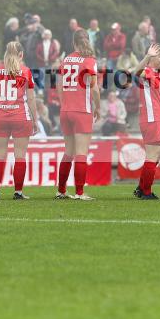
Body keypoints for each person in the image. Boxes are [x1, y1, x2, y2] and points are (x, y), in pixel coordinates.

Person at [0, 41, 38, 200]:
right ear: (21, 54)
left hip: (0, 116)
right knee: (20, 156)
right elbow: (31, 99)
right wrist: (35, 119)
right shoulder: (25, 71)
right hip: (20, 117)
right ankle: (18, 192)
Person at [56, 29, 100, 200]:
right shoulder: (89, 60)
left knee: (68, 151)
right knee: (81, 152)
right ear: (88, 41)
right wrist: (98, 106)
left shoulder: (66, 60)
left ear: (73, 43)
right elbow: (94, 88)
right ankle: (80, 193)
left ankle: (61, 190)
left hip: (66, 110)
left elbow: (59, 84)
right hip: (82, 110)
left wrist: (63, 102)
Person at [131, 43, 160, 200]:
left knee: (159, 153)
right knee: (152, 155)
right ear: (152, 57)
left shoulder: (157, 74)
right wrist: (146, 56)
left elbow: (158, 99)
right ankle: (146, 192)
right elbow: (135, 73)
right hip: (151, 117)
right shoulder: (146, 71)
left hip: (157, 117)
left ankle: (141, 187)